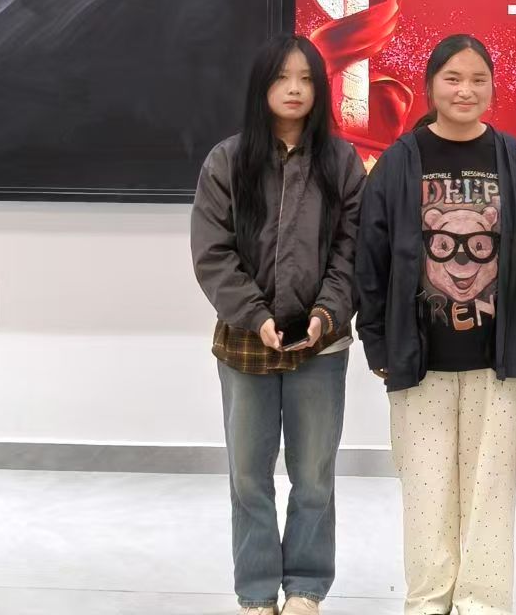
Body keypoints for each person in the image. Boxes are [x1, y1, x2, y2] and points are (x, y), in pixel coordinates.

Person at [355, 34, 516, 615]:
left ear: (492, 88)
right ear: (430, 86)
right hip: (420, 359)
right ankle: (428, 599)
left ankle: (482, 601)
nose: (466, 90)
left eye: (478, 79)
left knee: (492, 491)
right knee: (426, 490)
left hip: (499, 362)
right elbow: (371, 257)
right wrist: (377, 343)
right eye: (453, 78)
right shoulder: (399, 161)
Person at [191, 34, 368, 615]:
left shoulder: (341, 162)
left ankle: (307, 588)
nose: (294, 89)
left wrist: (325, 315)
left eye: (307, 79)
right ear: (261, 87)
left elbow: (351, 252)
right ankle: (257, 591)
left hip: (321, 343)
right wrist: (257, 316)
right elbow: (213, 255)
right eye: (282, 77)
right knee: (248, 475)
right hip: (246, 342)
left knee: (314, 473)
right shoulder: (227, 161)